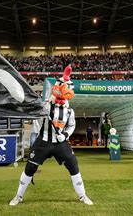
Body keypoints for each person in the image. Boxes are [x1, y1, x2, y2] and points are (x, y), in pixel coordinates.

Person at [10, 65, 93, 206]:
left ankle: (82, 195)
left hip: (60, 142)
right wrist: (45, 104)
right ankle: (18, 196)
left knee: (73, 165)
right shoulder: (47, 105)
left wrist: (65, 134)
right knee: (30, 168)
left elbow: (72, 125)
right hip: (43, 141)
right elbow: (36, 110)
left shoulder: (69, 111)